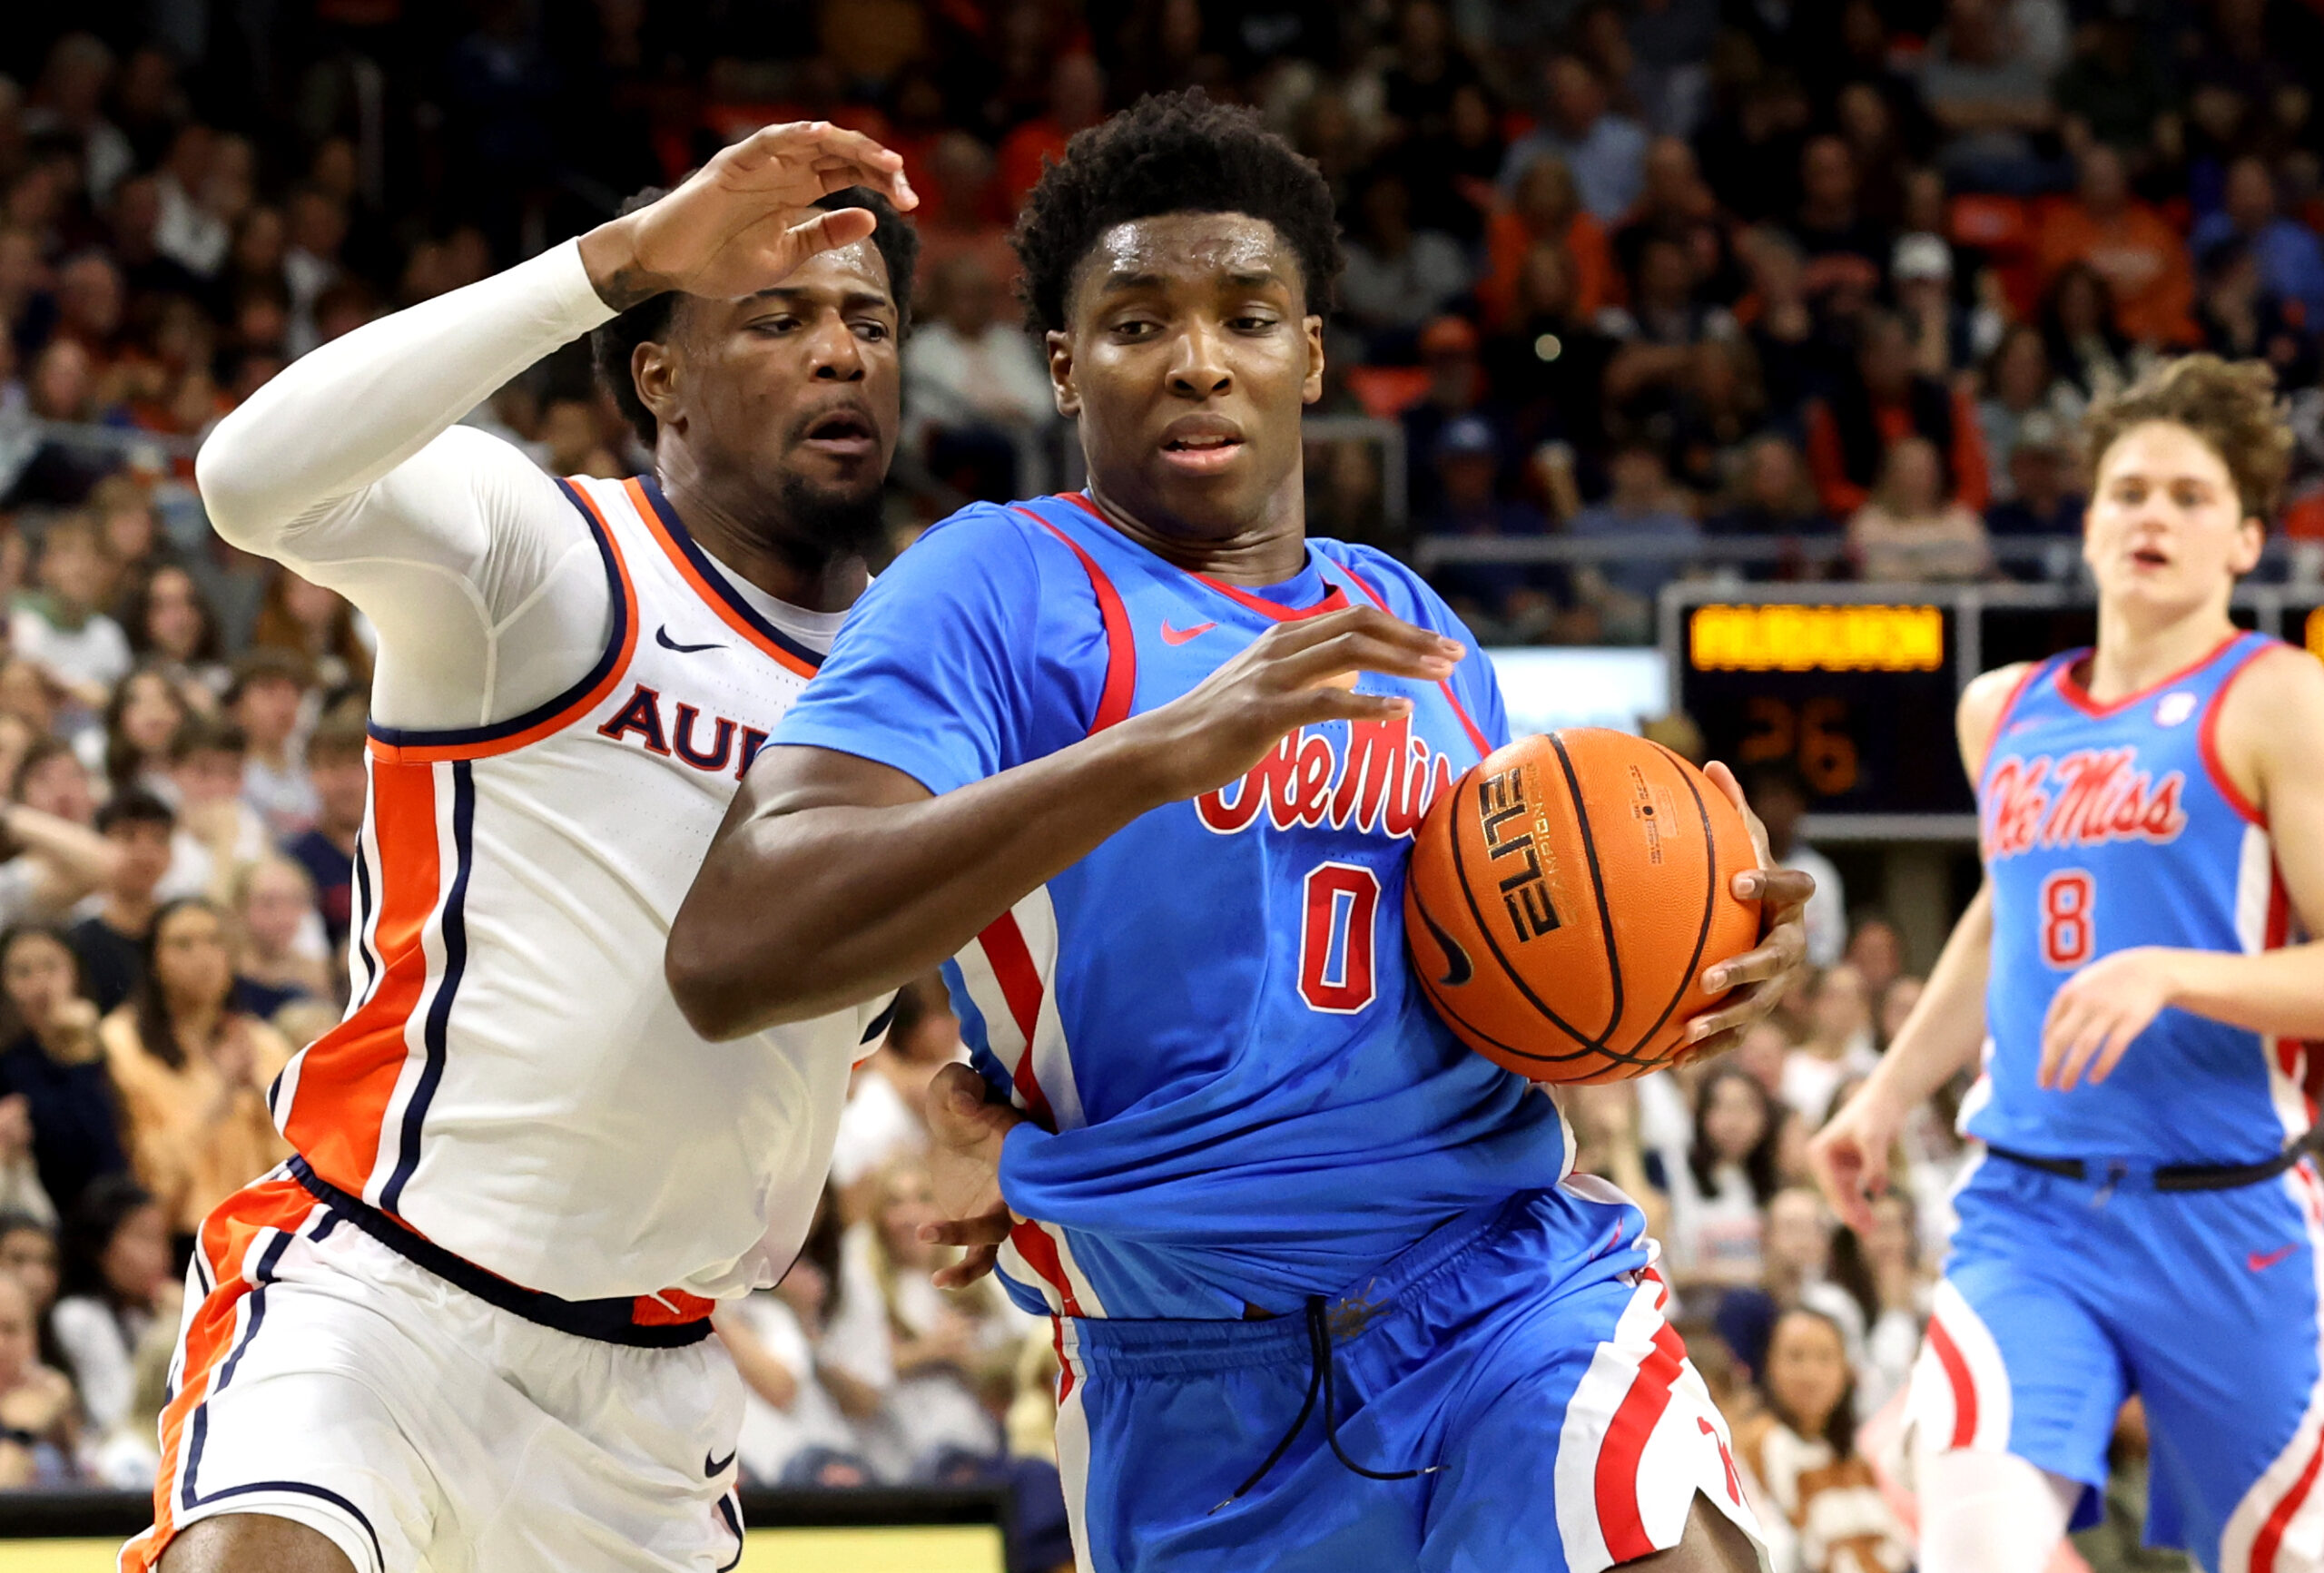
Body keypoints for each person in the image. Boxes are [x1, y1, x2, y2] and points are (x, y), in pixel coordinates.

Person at [670, 91, 1814, 1573]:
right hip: (1180, 1368)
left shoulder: (1411, 618)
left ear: (1313, 353)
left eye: (1248, 316)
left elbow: (1519, 955)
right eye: (1140, 322)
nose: (1200, 358)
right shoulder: (992, 587)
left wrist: (1699, 952)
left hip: (1499, 1293)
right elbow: (736, 942)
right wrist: (1155, 752)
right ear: (1068, 369)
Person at [124, 122, 921, 1573]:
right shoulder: (546, 555)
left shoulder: (925, 692)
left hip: (652, 1403)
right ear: (657, 373)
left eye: (868, 320)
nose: (840, 350)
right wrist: (616, 263)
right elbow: (250, 480)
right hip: (379, 1304)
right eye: (779, 314)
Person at [1809, 355, 2324, 1573]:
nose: (2153, 514)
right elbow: (2005, 916)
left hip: (2229, 1213)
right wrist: (1883, 1094)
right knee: (1976, 1553)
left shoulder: (2278, 702)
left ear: (2246, 538)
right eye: (2129, 490)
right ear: (2086, 522)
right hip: (2029, 1211)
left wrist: (2174, 973)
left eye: (2191, 497)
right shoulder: (2002, 709)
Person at [99, 898, 292, 1240]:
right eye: (183, 944)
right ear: (153, 961)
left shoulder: (262, 1043)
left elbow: (301, 1158)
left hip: (263, 1232)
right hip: (176, 1238)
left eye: (215, 941)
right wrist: (222, 1097)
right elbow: (150, 1173)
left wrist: (259, 1095)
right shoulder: (122, 1044)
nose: (203, 957)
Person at [1730, 1308, 1912, 1573]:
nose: (1810, 1373)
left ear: (1845, 1370)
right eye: (1796, 1357)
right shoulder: (1756, 1445)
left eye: (1825, 1358)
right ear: (1769, 1364)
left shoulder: (1854, 1455)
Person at [0, 925, 126, 1217]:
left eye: (51, 967)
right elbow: (66, 1149)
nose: (40, 984)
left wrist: (80, 1046)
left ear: (75, 972)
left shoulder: (110, 1046)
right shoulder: (9, 1065)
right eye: (23, 972)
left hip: (113, 1210)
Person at [50, 1175, 173, 1438]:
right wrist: (176, 1326)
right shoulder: (77, 1316)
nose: (160, 1255)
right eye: (144, 1237)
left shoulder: (141, 1316)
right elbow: (118, 1412)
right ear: (99, 1246)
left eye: (163, 1239)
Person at [69, 791, 176, 1016]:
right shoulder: (78, 941)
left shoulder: (187, 929)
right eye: (128, 837)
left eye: (159, 839)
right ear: (100, 846)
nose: (145, 853)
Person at [278, 705, 364, 951]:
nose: (345, 780)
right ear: (310, 774)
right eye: (332, 766)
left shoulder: (407, 850)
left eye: (355, 764)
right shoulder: (295, 858)